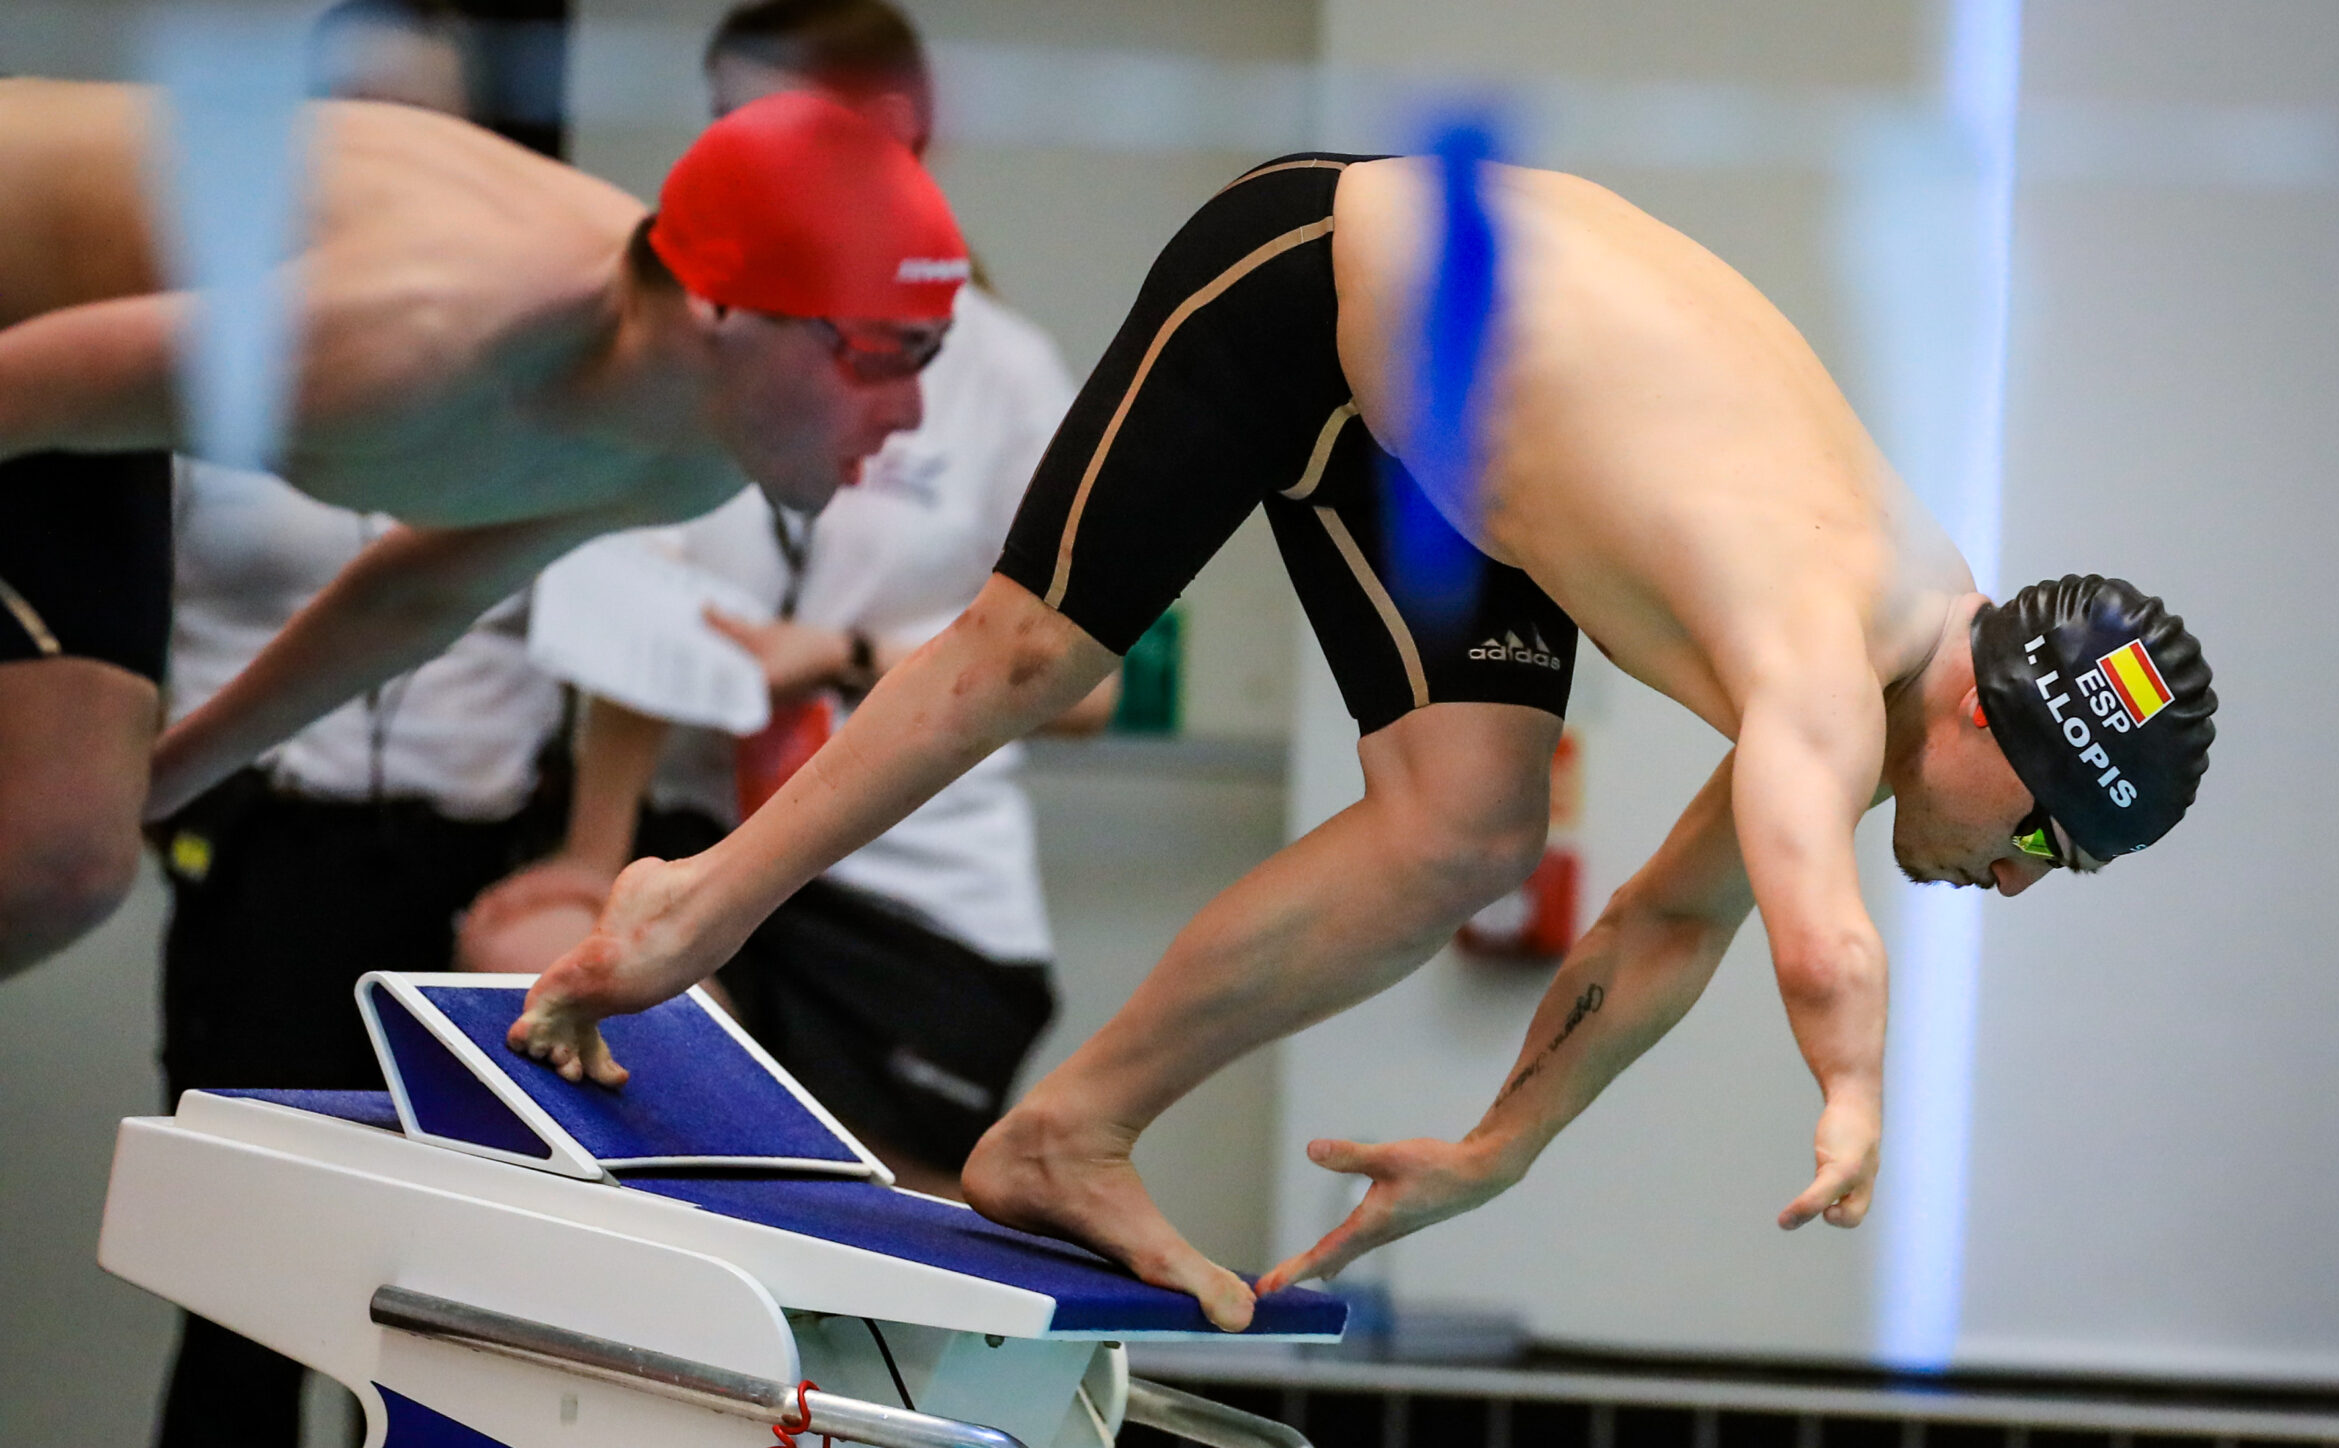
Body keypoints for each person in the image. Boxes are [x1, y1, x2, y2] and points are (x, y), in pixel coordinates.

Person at [509, 154, 2220, 1331]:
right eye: (2050, 844)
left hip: (1453, 415)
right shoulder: (1832, 647)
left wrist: (1503, 1144)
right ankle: (690, 904)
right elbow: (1812, 937)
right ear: (2008, 735)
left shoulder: (1904, 657)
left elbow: (1670, 921)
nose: (2012, 882)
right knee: (1037, 646)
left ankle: (1065, 1131)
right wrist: (1853, 1094)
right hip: (1319, 266)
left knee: (1467, 832)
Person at [0, 69, 968, 968]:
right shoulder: (419, 331)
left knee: (60, 862)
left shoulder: (688, 451)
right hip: (26, 309)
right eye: (882, 354)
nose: (908, 412)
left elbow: (416, 596)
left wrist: (159, 786)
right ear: (720, 308)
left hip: (77, 373)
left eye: (929, 357)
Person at [459, 0, 1104, 1198]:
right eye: (722, 120)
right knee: (541, 1004)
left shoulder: (1002, 371)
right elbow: (634, 614)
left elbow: (1087, 688)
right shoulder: (702, 332)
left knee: (866, 1254)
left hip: (908, 891)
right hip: (699, 847)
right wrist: (591, 858)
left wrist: (842, 649)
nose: (740, 149)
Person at [141, 0, 572, 1448]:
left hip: (483, 872)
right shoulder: (203, 329)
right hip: (272, 848)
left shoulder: (556, 335)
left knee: (468, 1308)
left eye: (436, 119)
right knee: (250, 1285)